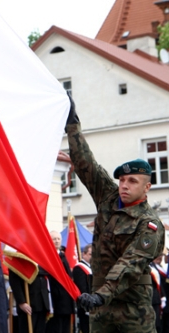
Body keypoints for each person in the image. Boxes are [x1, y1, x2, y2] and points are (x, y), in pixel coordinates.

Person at [66, 97, 165, 332]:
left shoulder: (150, 223)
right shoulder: (108, 198)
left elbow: (131, 263)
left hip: (132, 313)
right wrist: (71, 124)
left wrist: (101, 296)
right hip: (101, 311)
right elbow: (85, 164)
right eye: (121, 180)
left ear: (147, 187)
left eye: (132, 181)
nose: (124, 185)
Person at [46, 231, 75, 333]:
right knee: (56, 327)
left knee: (66, 327)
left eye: (58, 239)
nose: (57, 241)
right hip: (55, 298)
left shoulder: (63, 255)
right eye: (54, 239)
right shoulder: (48, 255)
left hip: (66, 298)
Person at [8, 265, 49, 333]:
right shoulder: (21, 257)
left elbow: (45, 272)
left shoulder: (41, 256)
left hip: (42, 302)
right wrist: (21, 302)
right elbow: (14, 280)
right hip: (28, 303)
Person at [73, 244, 93, 333]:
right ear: (83, 254)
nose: (93, 257)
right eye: (90, 254)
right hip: (86, 306)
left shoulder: (93, 267)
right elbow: (82, 288)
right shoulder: (79, 268)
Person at [151, 255, 166, 333]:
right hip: (152, 300)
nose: (160, 257)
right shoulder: (151, 267)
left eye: (161, 255)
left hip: (158, 300)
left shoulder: (160, 268)